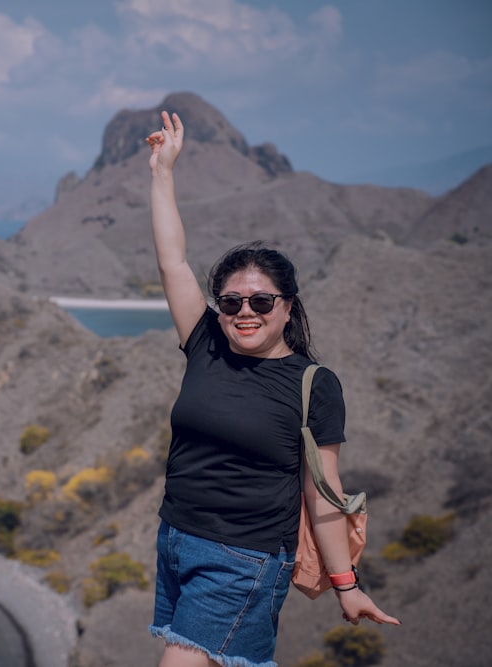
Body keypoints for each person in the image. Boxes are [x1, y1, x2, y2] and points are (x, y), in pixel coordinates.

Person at [144, 110, 399, 667]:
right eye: (232, 301)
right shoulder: (205, 341)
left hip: (244, 559)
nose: (245, 313)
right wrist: (163, 172)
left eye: (261, 302)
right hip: (176, 541)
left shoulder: (313, 385)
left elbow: (322, 490)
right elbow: (173, 261)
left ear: (287, 307)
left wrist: (345, 583)